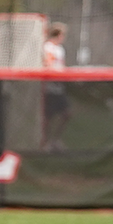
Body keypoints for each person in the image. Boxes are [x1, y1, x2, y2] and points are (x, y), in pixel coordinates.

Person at [43, 22, 69, 152]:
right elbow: (48, 64)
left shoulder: (60, 49)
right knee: (48, 117)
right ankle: (46, 142)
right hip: (50, 87)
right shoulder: (48, 47)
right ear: (58, 35)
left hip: (59, 87)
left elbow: (61, 66)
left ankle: (55, 140)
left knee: (66, 113)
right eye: (62, 35)